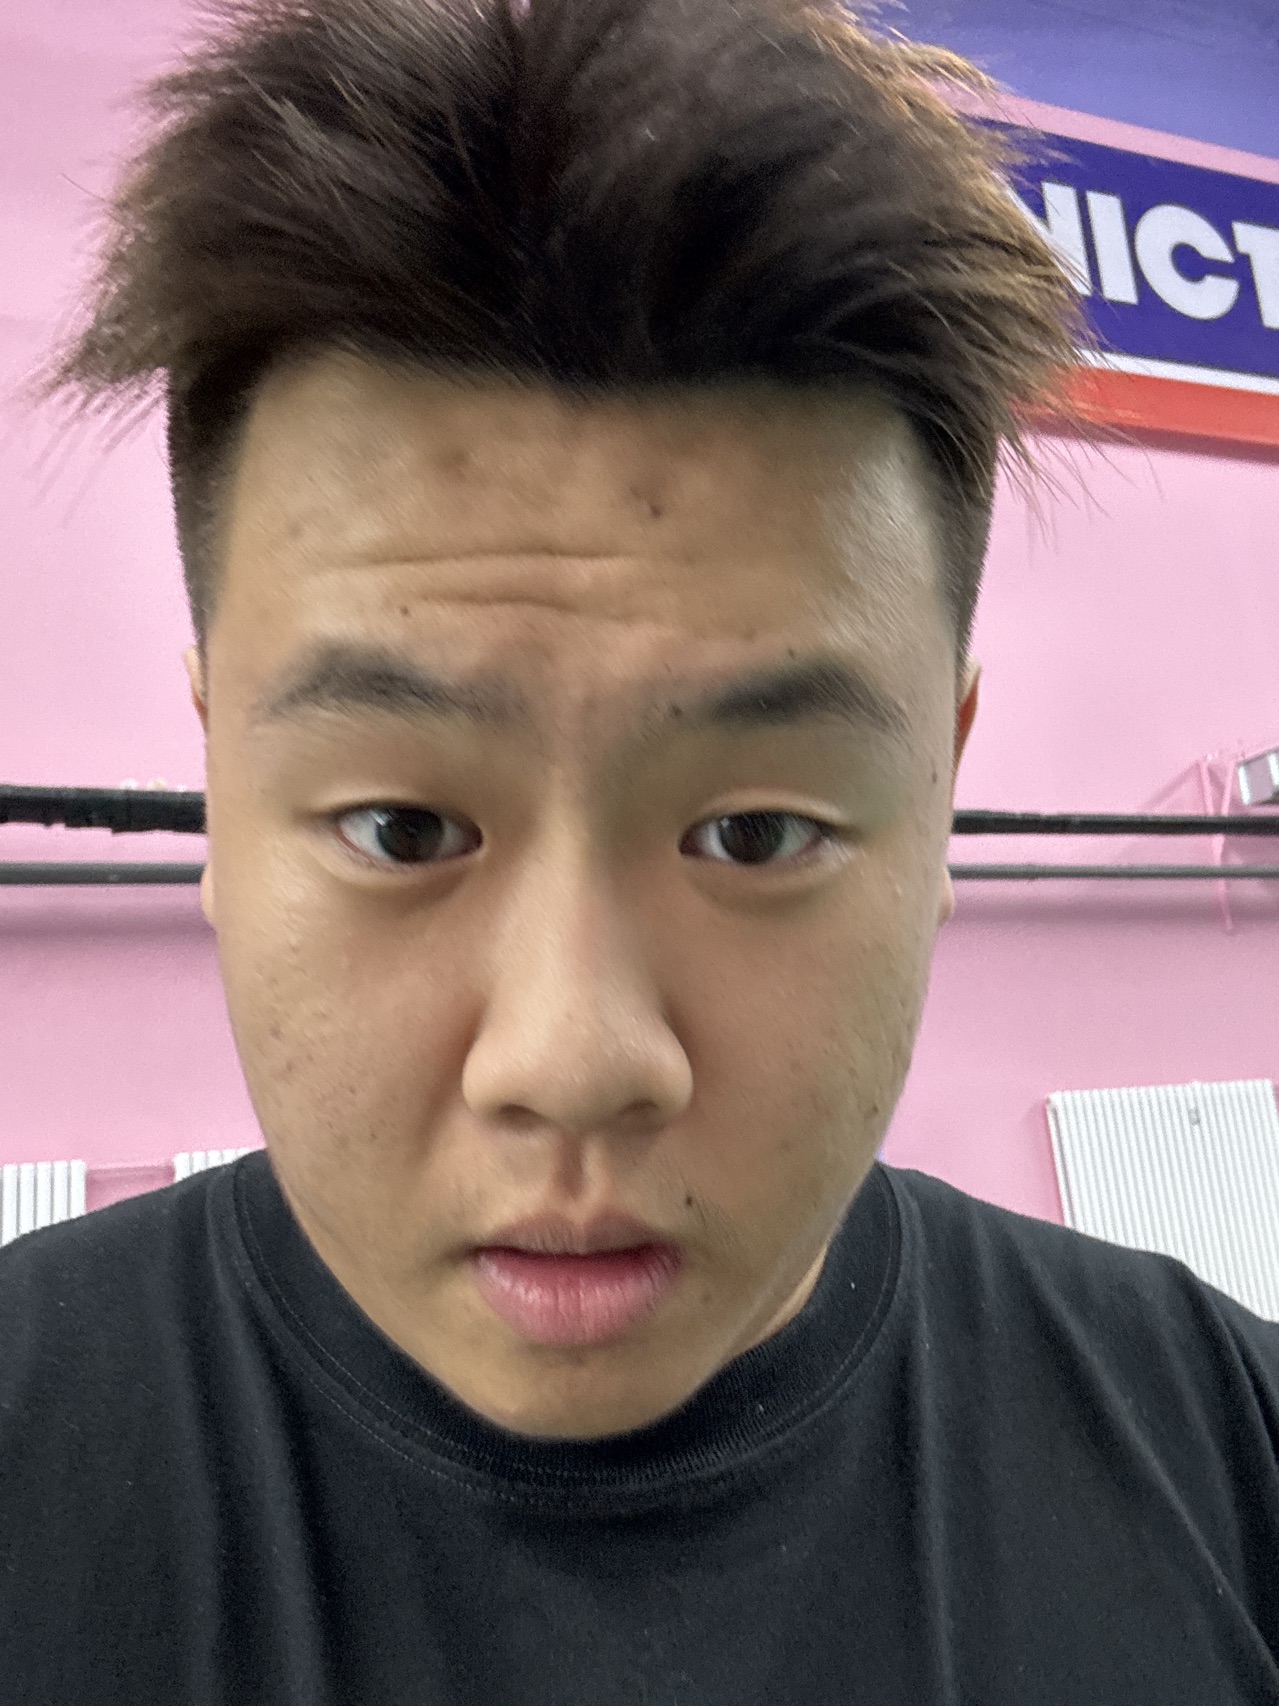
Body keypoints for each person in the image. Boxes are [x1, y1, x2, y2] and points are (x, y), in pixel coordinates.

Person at [2, 0, 1277, 1698]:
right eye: (402, 826)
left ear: (943, 793)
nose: (574, 1061)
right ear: (217, 779)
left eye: (756, 831)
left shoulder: (1233, 1457)